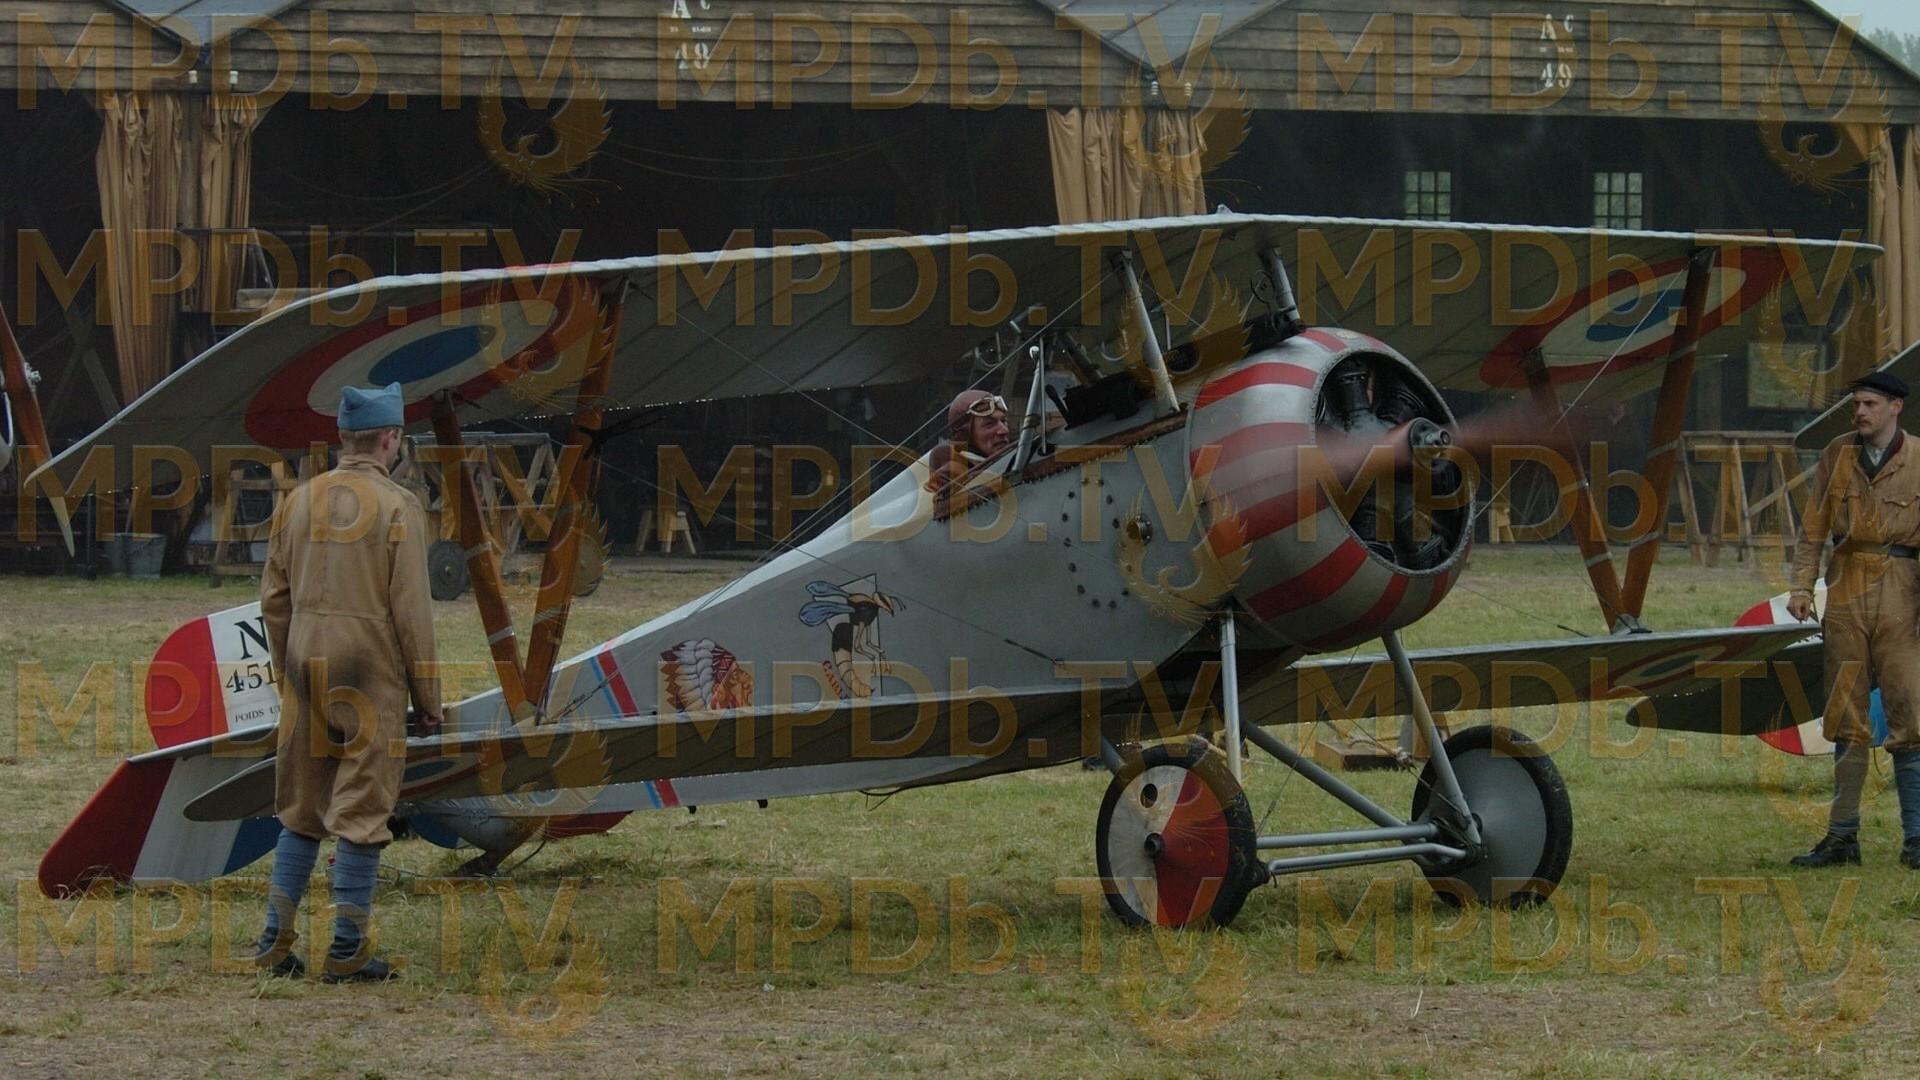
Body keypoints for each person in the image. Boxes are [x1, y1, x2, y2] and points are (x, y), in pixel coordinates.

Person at [253, 382, 441, 980]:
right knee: (362, 809)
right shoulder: (398, 506)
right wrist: (429, 698)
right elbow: (412, 615)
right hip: (369, 673)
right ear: (390, 439)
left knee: (300, 809)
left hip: (304, 666)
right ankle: (346, 951)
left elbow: (273, 599)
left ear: (343, 436)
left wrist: (289, 667)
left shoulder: (297, 500)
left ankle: (274, 942)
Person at [1787, 370, 1920, 868]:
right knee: (1845, 716)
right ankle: (1842, 838)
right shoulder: (1836, 455)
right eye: (1856, 404)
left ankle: (1917, 839)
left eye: (1869, 404)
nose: (1860, 412)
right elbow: (1813, 527)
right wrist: (1802, 586)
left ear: (1895, 407)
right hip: (1845, 589)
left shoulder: (1919, 457)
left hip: (1903, 591)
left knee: (1910, 714)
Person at [927, 389, 1011, 495]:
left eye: (1003, 421)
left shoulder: (1016, 461)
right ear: (965, 434)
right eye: (989, 424)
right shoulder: (951, 480)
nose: (1004, 430)